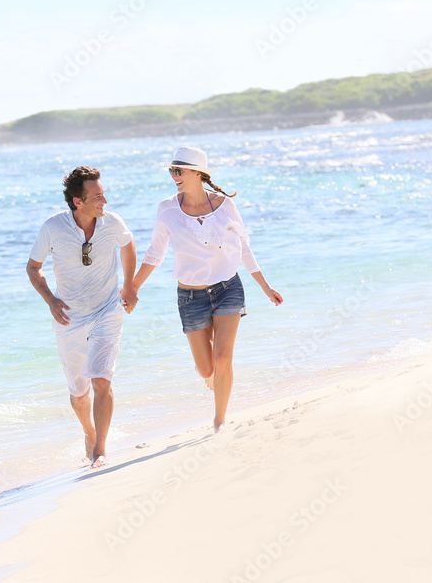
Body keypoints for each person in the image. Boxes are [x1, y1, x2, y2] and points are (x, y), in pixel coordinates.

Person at [133, 147, 283, 433]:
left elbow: (244, 247)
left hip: (228, 288)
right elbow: (154, 253)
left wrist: (265, 286)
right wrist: (133, 288)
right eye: (171, 171)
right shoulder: (167, 209)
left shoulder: (225, 205)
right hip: (190, 297)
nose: (174, 176)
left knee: (223, 358)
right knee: (207, 369)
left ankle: (219, 421)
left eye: (179, 171)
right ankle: (214, 381)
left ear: (197, 173)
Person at [27, 166, 138, 468]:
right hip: (70, 318)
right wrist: (50, 300)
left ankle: (100, 451)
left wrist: (129, 285)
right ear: (79, 201)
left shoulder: (112, 222)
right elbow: (33, 268)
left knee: (102, 379)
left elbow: (128, 245)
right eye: (98, 197)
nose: (104, 202)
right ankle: (89, 433)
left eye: (104, 195)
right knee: (79, 393)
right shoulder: (53, 228)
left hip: (107, 310)